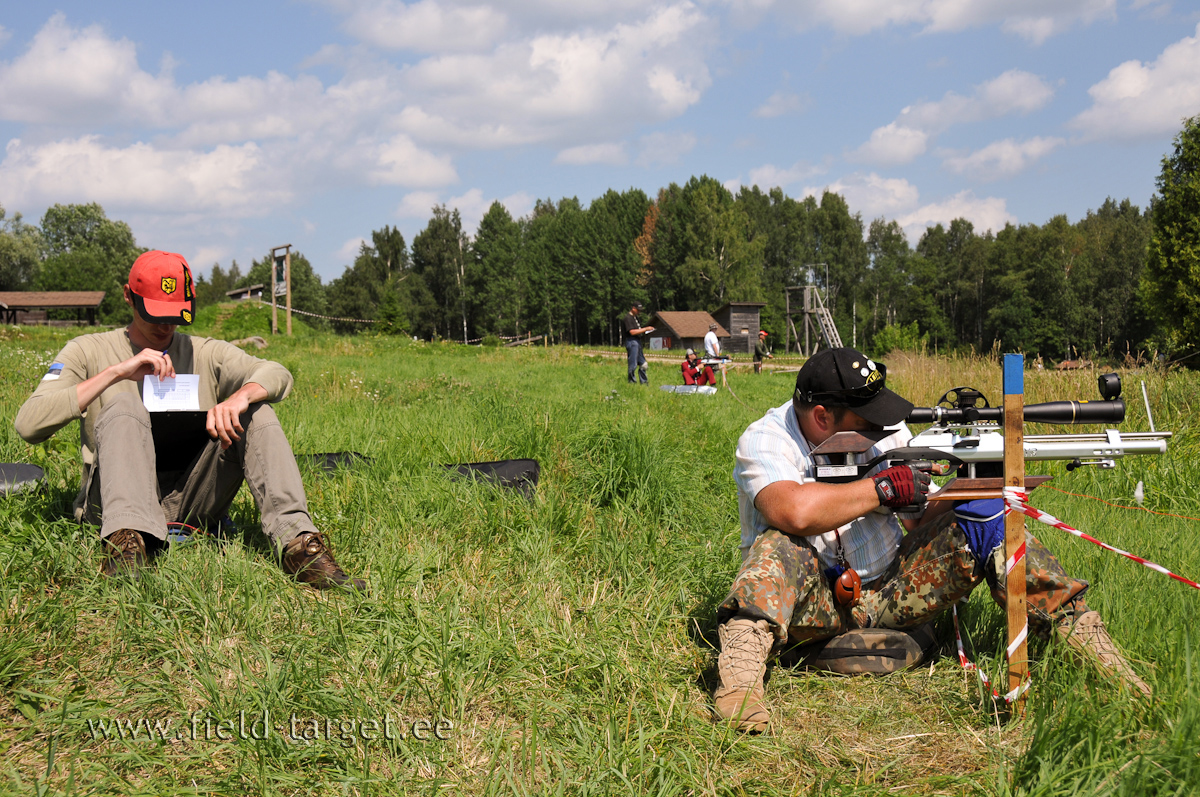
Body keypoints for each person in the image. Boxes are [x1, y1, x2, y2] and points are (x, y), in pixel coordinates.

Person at [711, 346, 1149, 733]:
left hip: (889, 591)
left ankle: (1102, 660)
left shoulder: (885, 433)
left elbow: (922, 520)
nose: (882, 431)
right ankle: (742, 685)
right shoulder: (767, 439)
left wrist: (978, 483)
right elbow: (794, 511)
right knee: (778, 543)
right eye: (868, 420)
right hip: (812, 601)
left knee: (986, 522)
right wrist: (879, 489)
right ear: (824, 417)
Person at [13, 250, 364, 590]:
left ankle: (298, 546)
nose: (166, 324)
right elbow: (29, 424)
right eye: (155, 313)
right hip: (113, 503)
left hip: (193, 497)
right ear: (128, 298)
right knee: (123, 406)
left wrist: (240, 397)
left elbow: (276, 372)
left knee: (258, 409)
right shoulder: (86, 350)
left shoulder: (203, 352)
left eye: (176, 313)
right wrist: (115, 374)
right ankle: (125, 545)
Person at [621, 302, 654, 385]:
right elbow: (632, 332)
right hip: (632, 342)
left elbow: (638, 331)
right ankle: (632, 382)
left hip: (638, 341)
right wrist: (645, 329)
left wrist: (645, 331)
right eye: (638, 310)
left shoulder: (636, 318)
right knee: (633, 364)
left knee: (644, 364)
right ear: (633, 308)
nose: (639, 312)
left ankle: (644, 382)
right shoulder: (628, 318)